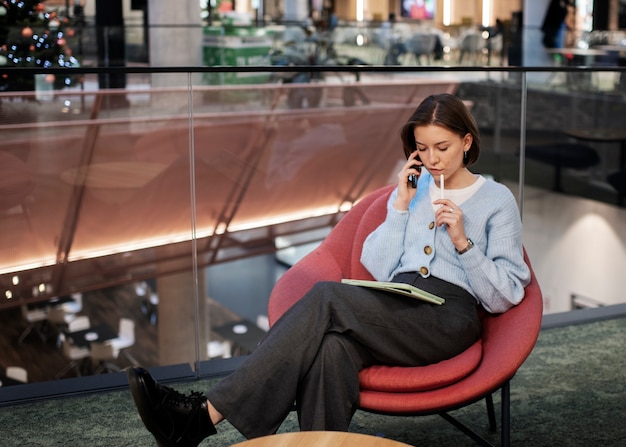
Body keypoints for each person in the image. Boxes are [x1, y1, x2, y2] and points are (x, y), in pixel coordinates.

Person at [126, 93, 531, 447]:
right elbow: (379, 266)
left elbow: (506, 294)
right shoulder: (414, 189)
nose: (433, 159)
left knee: (325, 296)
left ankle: (201, 416)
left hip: (448, 317)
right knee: (331, 351)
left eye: (442, 147)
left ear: (466, 141)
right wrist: (401, 205)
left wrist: (463, 242)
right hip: (399, 304)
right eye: (422, 149)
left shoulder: (496, 200)